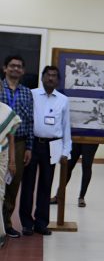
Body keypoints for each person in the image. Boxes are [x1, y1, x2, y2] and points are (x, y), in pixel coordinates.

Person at [19, 66, 72, 236]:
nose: (51, 78)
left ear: (58, 80)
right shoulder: (32, 94)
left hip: (53, 146)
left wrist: (66, 150)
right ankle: (27, 223)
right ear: (42, 78)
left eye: (54, 76)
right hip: (33, 144)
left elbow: (66, 126)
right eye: (48, 75)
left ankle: (41, 223)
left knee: (46, 185)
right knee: (28, 185)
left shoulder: (63, 100)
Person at [0, 55, 34, 238]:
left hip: (19, 144)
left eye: (19, 66)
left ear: (23, 71)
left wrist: (29, 147)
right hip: (1, 142)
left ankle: (6, 224)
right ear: (5, 68)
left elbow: (29, 122)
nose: (15, 69)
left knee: (12, 185)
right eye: (12, 66)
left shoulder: (27, 93)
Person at [0, 85, 21, 248]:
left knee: (0, 195)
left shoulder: (6, 112)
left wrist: (13, 161)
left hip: (2, 157)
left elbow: (11, 139)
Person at [50, 143, 99, 207]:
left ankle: (81, 197)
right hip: (76, 137)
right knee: (68, 166)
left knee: (86, 166)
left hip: (91, 138)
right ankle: (59, 195)